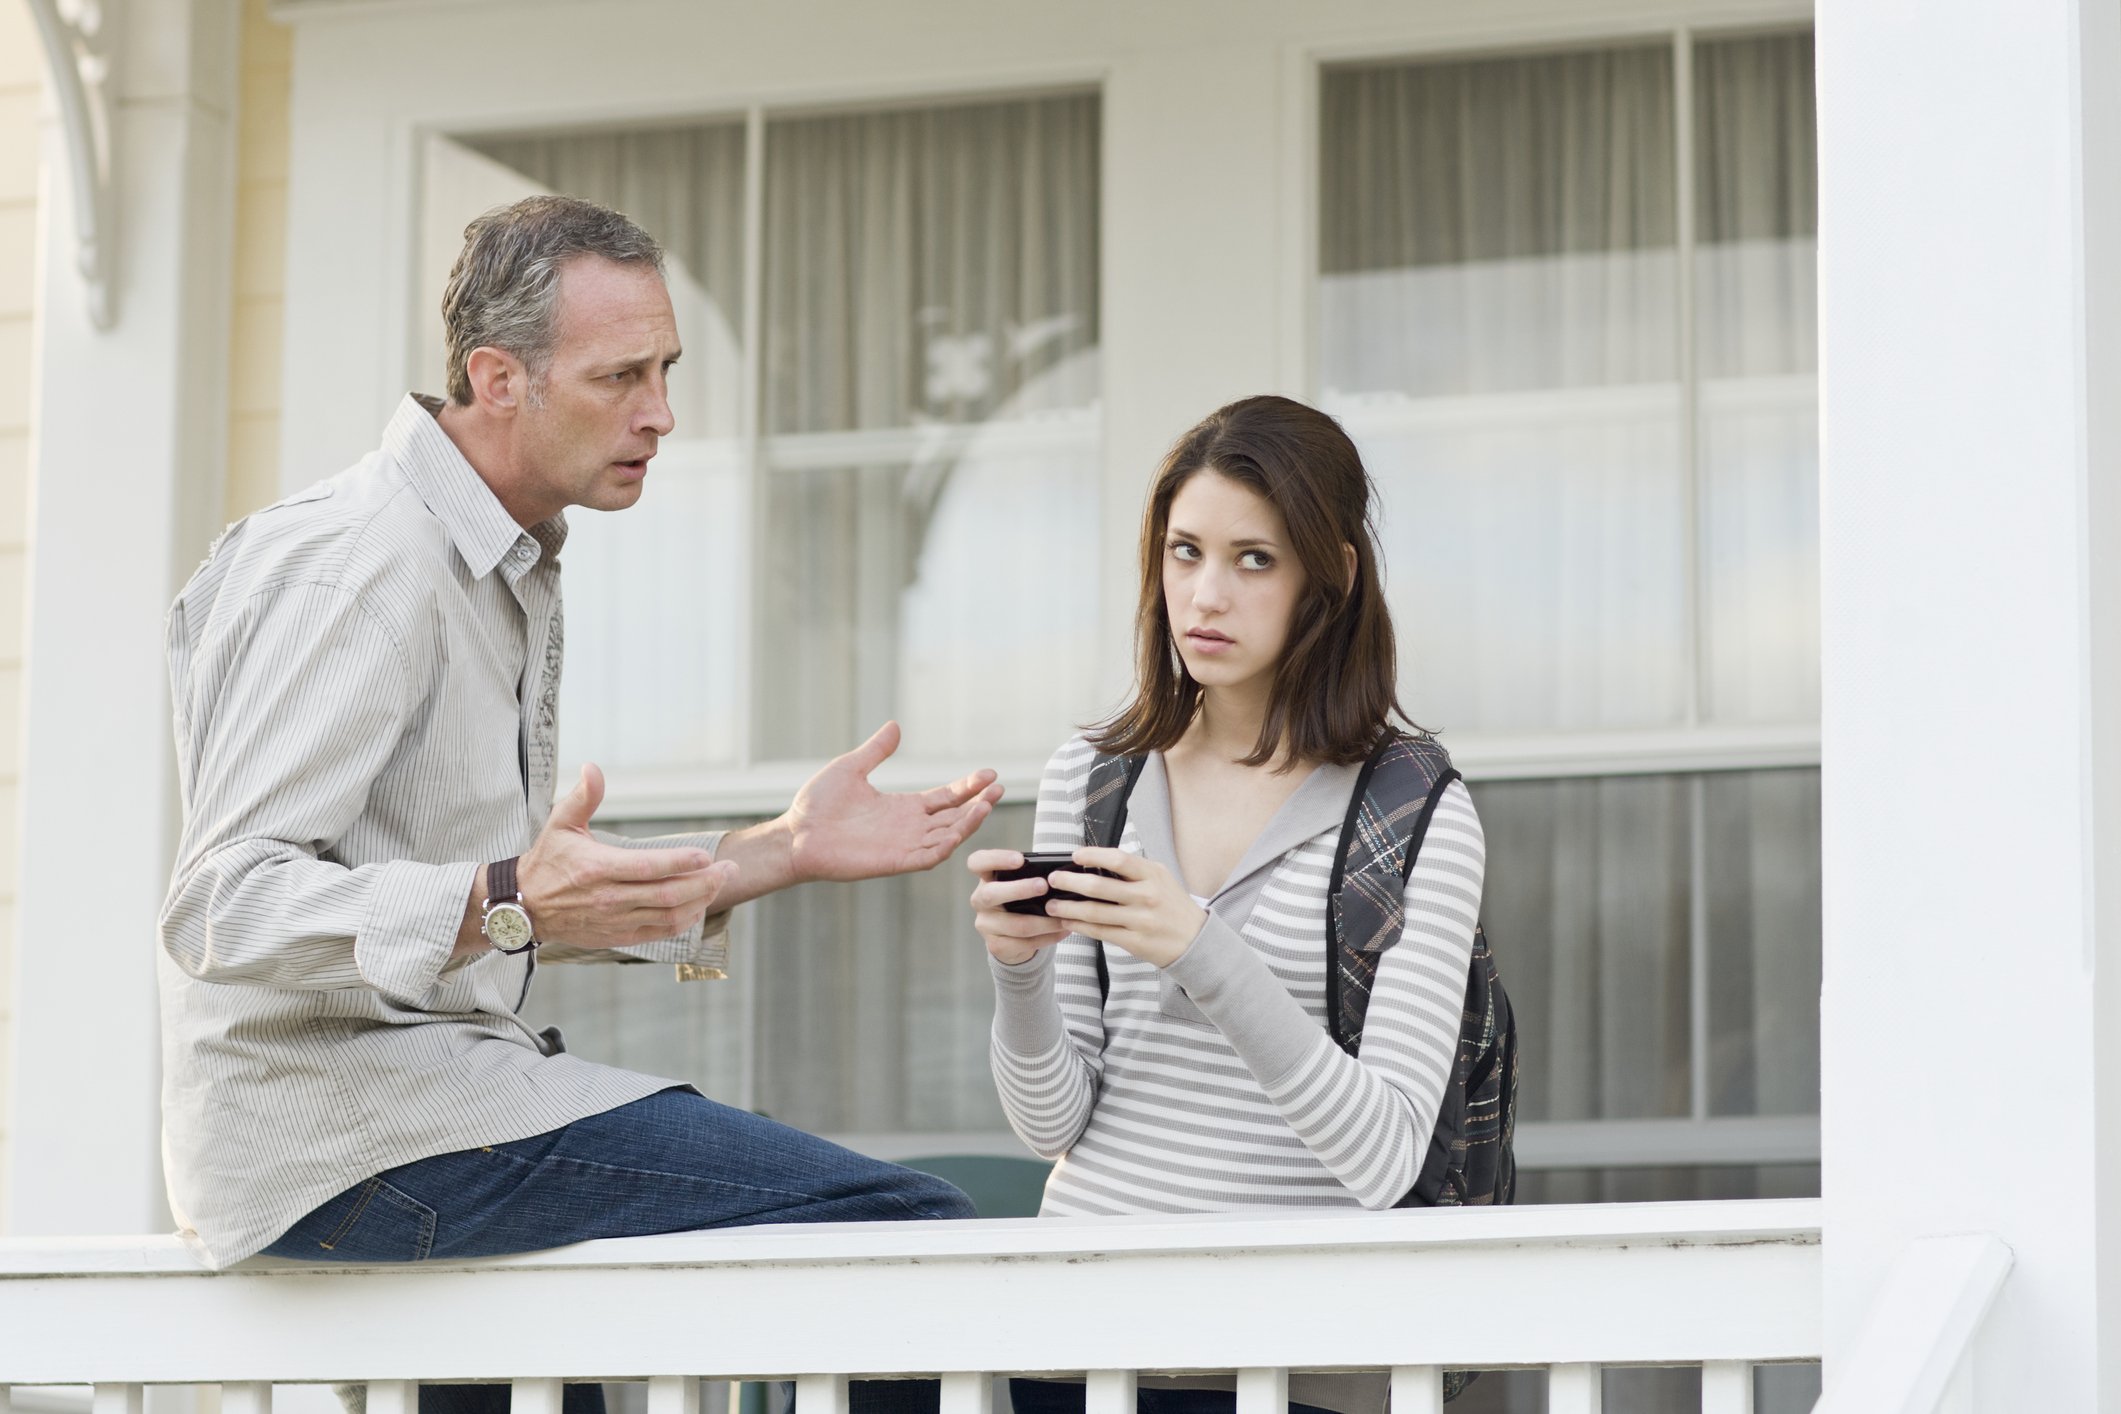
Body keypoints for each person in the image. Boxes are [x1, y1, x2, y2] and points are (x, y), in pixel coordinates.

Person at [160, 195, 999, 1304]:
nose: (661, 414)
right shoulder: (359, 570)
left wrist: (779, 848)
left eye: (669, 371)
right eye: (621, 378)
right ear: (500, 378)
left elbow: (501, 897)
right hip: (348, 1146)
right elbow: (221, 904)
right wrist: (508, 897)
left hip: (421, 1116)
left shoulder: (498, 559)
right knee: (894, 1232)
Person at [966, 396, 1487, 1414]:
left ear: (1329, 577)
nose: (1206, 593)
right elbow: (1053, 1123)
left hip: (1296, 1362)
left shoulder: (1415, 810)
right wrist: (1017, 970)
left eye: (1255, 559)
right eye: (1184, 551)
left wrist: (1201, 947)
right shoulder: (1096, 775)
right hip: (1082, 1344)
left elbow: (1384, 1155)